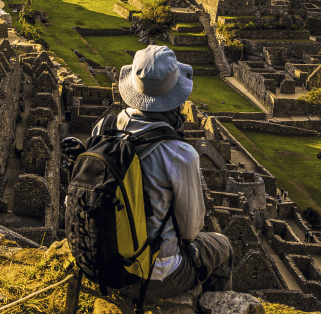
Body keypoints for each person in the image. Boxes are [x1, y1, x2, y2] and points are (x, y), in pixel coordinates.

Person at [94, 45, 233, 304]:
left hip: (100, 263)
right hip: (152, 276)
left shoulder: (104, 128)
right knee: (222, 247)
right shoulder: (179, 154)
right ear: (176, 100)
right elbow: (191, 230)